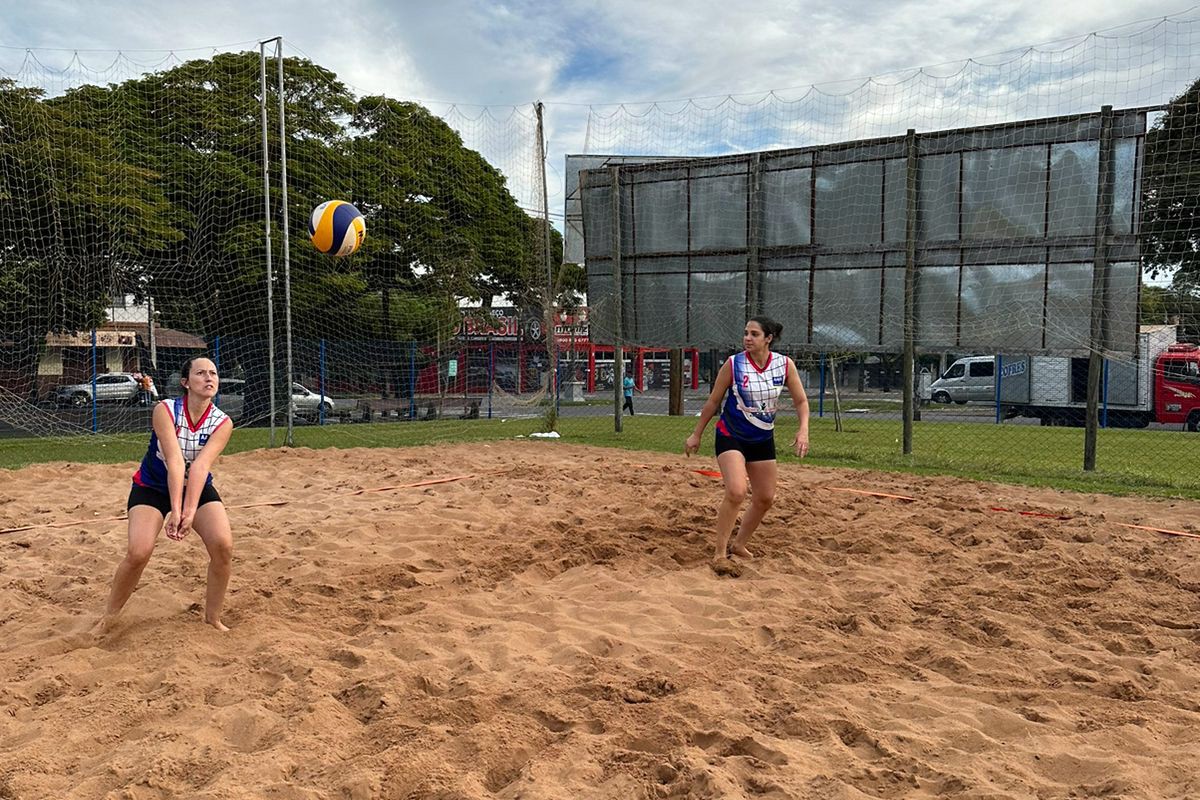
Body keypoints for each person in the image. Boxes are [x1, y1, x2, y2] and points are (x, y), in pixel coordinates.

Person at [96, 356, 234, 632]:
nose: (209, 379)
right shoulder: (165, 409)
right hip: (152, 486)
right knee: (139, 552)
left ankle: (213, 619)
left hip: (195, 486)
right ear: (185, 382)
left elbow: (200, 467)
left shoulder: (223, 422)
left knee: (223, 545)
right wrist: (175, 510)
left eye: (213, 374)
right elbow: (174, 461)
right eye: (201, 373)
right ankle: (108, 619)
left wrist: (188, 512)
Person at [684, 317, 810, 567]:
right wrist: (696, 433)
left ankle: (739, 544)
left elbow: (801, 401)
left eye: (754, 334)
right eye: (745, 333)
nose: (747, 338)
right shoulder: (734, 364)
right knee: (736, 490)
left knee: (765, 498)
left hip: (762, 437)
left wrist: (803, 429)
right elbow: (713, 401)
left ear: (768, 339)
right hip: (731, 434)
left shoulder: (784, 365)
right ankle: (720, 553)